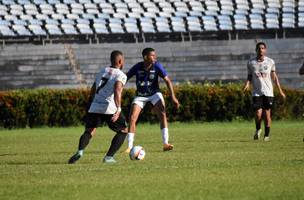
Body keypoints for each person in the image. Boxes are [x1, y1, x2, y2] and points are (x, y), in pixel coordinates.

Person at [68, 50, 128, 164]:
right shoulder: (121, 75)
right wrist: (118, 108)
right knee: (124, 130)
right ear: (120, 61)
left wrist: (90, 104)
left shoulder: (102, 71)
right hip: (109, 107)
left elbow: (93, 89)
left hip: (95, 105)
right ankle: (108, 157)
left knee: (89, 130)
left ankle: (80, 151)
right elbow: (117, 90)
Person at [125, 47, 180, 152]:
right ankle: (129, 147)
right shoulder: (137, 67)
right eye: (152, 55)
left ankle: (165, 144)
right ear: (145, 57)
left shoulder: (157, 66)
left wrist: (173, 97)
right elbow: (125, 78)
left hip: (154, 93)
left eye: (155, 55)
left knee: (162, 114)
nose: (155, 57)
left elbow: (167, 81)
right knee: (132, 118)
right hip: (140, 95)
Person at [243, 42, 286, 141]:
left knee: (267, 115)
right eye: (259, 48)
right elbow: (249, 76)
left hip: (268, 92)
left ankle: (266, 136)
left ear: (265, 50)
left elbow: (274, 77)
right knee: (258, 114)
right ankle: (258, 129)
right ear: (256, 50)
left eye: (262, 48)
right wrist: (247, 84)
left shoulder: (270, 62)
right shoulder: (251, 62)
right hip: (256, 92)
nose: (260, 50)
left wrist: (280, 90)